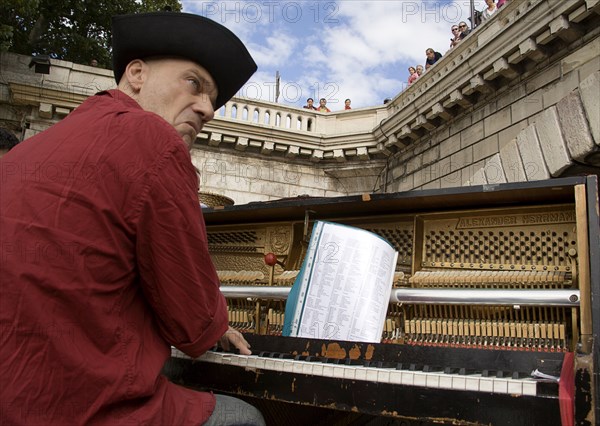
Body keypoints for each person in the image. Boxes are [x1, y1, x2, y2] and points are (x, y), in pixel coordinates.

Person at [0, 11, 266, 426]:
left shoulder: (30, 149)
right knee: (245, 418)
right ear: (136, 73)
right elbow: (193, 328)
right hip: (72, 406)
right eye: (194, 83)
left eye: (213, 99)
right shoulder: (153, 139)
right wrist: (217, 323)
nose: (208, 109)